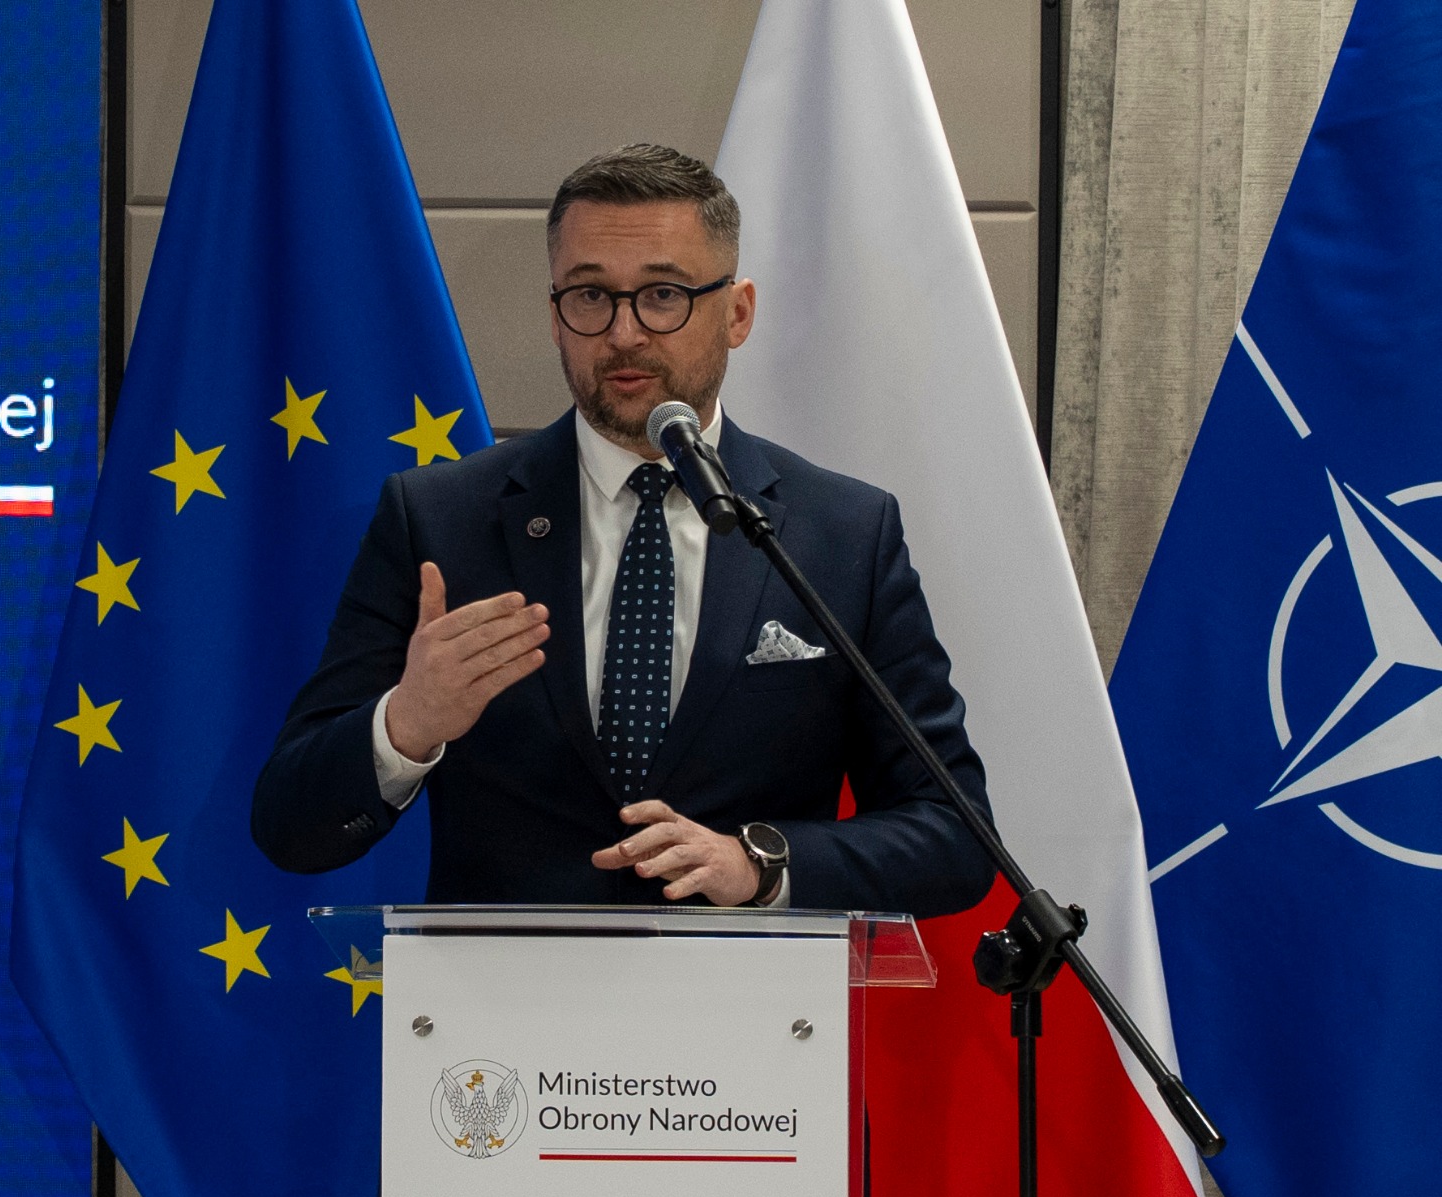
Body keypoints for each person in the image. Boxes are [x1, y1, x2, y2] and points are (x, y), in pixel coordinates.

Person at [252, 144, 993, 914]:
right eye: (590, 296)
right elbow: (288, 826)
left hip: (747, 987)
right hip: (507, 990)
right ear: (555, 317)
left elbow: (954, 833)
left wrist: (759, 865)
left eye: (663, 295)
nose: (625, 332)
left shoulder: (841, 534)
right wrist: (405, 726)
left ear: (737, 312)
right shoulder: (440, 520)